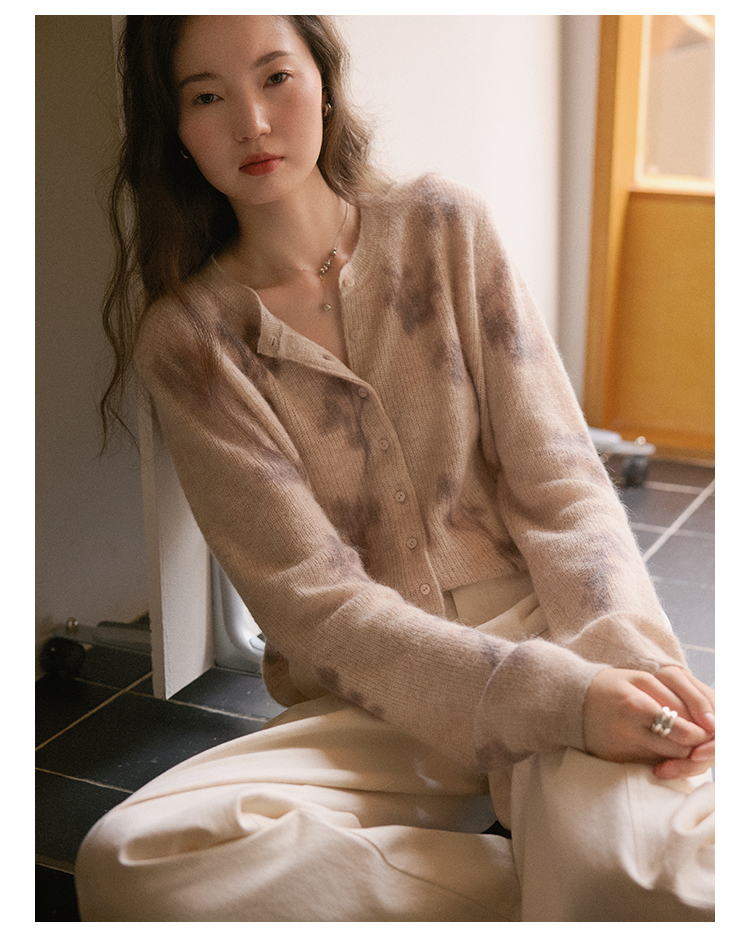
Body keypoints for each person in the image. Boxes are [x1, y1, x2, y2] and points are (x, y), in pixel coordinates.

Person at [75, 15, 715, 922]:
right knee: (133, 864)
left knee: (658, 878)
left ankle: (572, 870)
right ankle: (550, 889)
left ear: (323, 78)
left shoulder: (445, 225)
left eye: (275, 77)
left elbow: (565, 484)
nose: (252, 123)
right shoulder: (190, 343)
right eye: (207, 96)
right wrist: (557, 704)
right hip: (376, 691)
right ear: (175, 129)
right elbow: (316, 605)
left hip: (551, 630)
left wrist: (617, 663)